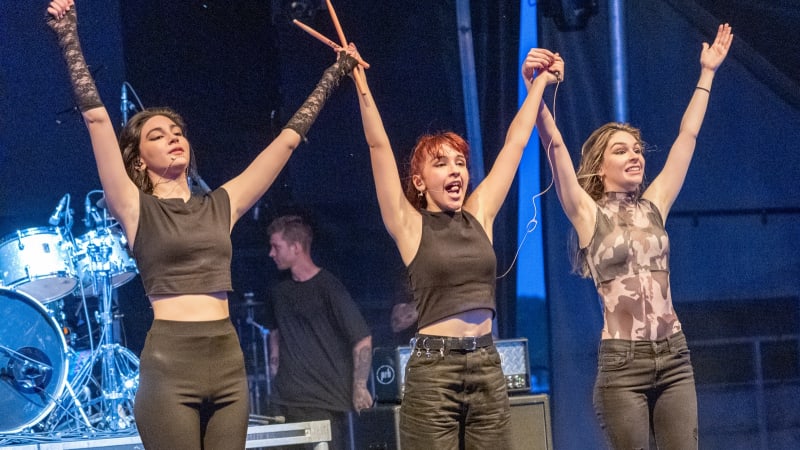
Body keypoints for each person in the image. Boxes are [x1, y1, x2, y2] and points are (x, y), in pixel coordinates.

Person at [46, 1, 358, 448]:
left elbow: (287, 142)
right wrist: (67, 32)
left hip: (227, 366)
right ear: (138, 158)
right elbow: (97, 117)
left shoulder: (221, 205)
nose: (173, 137)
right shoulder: (134, 208)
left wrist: (334, 73)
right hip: (170, 366)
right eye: (157, 135)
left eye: (177, 132)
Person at [352, 43, 564, 447]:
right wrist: (361, 83)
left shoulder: (478, 213)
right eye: (442, 163)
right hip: (435, 370)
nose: (456, 171)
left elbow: (515, 145)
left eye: (460, 163)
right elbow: (379, 147)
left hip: (487, 363)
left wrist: (537, 85)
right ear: (418, 181)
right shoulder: (409, 225)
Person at [534, 24, 733, 450]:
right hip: (623, 366)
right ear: (600, 166)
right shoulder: (587, 214)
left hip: (674, 356)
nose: (635, 155)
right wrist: (536, 89)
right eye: (621, 150)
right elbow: (554, 146)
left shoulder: (654, 204)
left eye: (637, 149)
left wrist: (707, 72)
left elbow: (687, 137)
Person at [266, 214, 372, 450]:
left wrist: (359, 386)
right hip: (284, 400)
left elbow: (362, 337)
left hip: (322, 401)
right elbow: (275, 330)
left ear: (295, 247)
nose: (271, 253)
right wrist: (275, 362)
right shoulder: (278, 290)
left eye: (276, 247)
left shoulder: (328, 286)